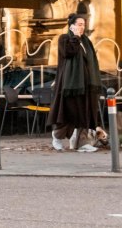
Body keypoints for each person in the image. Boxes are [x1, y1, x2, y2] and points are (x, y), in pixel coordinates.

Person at [46, 13, 102, 152]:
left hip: (86, 85)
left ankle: (82, 143)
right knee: (69, 112)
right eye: (79, 24)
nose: (82, 27)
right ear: (71, 26)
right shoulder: (64, 38)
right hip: (70, 84)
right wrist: (75, 38)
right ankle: (57, 136)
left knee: (85, 113)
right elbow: (68, 53)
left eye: (83, 24)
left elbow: (91, 61)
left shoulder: (86, 41)